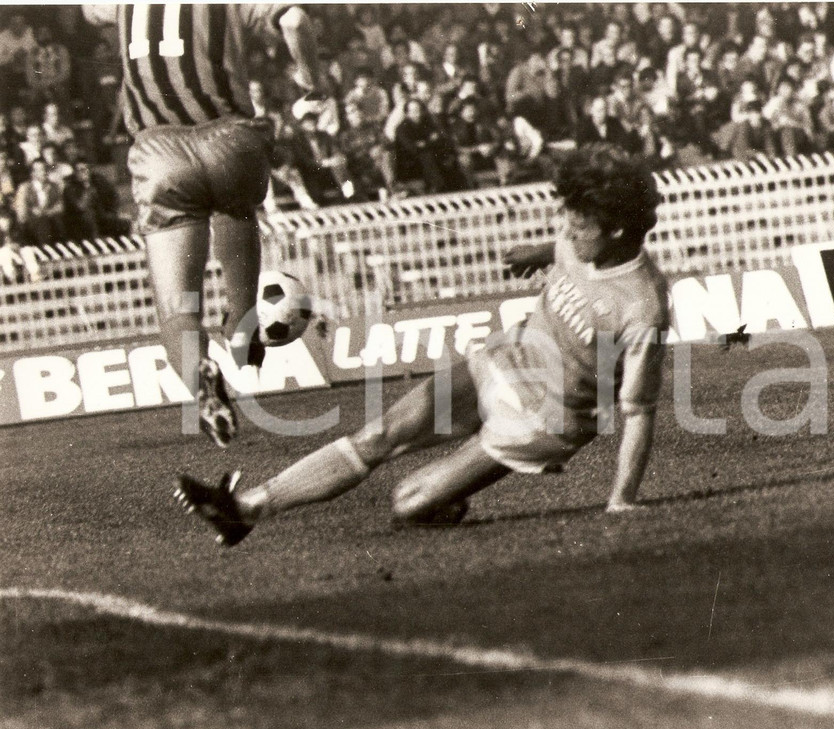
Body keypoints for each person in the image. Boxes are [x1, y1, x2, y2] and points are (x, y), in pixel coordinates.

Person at [173, 143, 669, 546]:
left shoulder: (641, 307)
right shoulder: (583, 239)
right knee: (377, 436)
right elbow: (565, 249)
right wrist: (532, 253)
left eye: (580, 227)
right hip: (501, 360)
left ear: (619, 230)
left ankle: (437, 497)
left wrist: (622, 498)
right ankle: (243, 508)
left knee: (407, 505)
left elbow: (639, 413)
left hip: (541, 420)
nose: (568, 232)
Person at [83, 4, 327, 448]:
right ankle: (241, 323)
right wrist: (314, 80)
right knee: (235, 212)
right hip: (232, 141)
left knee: (179, 310)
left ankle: (202, 376)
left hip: (161, 152)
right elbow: (294, 20)